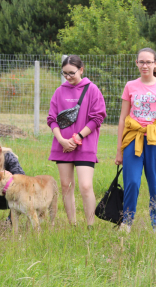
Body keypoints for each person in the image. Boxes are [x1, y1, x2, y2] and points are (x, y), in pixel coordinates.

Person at [115, 47, 156, 233]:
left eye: (149, 62)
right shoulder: (130, 86)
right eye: (141, 62)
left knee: (155, 183)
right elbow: (123, 119)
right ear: (136, 64)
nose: (145, 65)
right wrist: (119, 150)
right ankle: (127, 222)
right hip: (133, 139)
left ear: (155, 63)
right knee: (132, 181)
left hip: (155, 141)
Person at [47, 55, 106, 229]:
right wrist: (62, 140)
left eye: (71, 73)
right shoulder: (59, 91)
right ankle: (72, 225)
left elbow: (97, 118)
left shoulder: (92, 89)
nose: (68, 77)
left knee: (86, 186)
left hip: (85, 145)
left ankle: (90, 226)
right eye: (64, 74)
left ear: (81, 69)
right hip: (62, 145)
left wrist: (78, 137)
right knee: (66, 186)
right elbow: (52, 119)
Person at [0, 145, 25, 223]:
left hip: (9, 196)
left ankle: (11, 221)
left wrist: (9, 179)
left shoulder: (8, 156)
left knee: (22, 192)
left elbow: (22, 180)